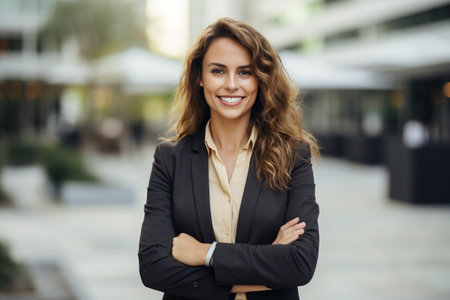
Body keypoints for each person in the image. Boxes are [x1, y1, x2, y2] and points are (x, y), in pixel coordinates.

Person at [139, 18, 320, 300]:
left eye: (245, 72)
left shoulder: (293, 156)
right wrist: (269, 263)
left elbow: (301, 263)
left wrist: (205, 253)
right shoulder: (170, 159)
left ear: (260, 79)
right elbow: (153, 267)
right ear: (200, 76)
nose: (232, 84)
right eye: (218, 71)